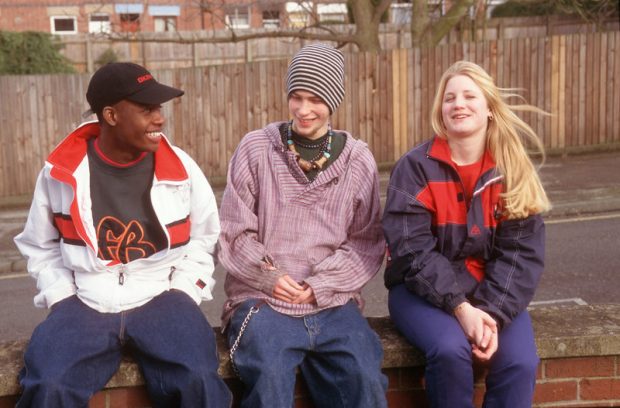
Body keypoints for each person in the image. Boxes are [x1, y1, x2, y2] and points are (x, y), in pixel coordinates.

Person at [14, 62, 232, 408]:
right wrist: (61, 295)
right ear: (111, 115)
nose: (159, 118)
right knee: (48, 383)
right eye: (146, 109)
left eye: (159, 108)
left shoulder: (182, 168)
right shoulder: (61, 173)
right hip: (86, 299)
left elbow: (205, 238)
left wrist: (184, 291)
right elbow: (39, 245)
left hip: (161, 292)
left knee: (200, 381)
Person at [218, 43, 388, 408]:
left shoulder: (358, 161)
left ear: (334, 99)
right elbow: (234, 231)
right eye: (296, 97)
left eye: (316, 98)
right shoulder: (255, 149)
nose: (304, 109)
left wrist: (318, 285)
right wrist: (270, 276)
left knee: (365, 379)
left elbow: (365, 243)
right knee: (270, 381)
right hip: (262, 301)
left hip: (332, 302)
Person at [382, 60, 550, 408]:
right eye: (450, 98)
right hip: (420, 292)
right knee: (449, 351)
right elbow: (412, 252)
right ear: (440, 111)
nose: (458, 104)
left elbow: (521, 255)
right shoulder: (414, 168)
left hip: (492, 291)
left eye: (469, 96)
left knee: (519, 362)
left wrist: (491, 314)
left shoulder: (512, 169)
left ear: (489, 108)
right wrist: (461, 309)